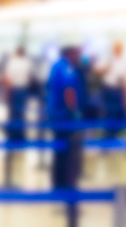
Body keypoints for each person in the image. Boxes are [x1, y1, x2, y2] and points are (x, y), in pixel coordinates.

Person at [44, 46, 85, 190]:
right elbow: (68, 91)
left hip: (56, 114)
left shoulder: (57, 66)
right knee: (65, 152)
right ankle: (64, 185)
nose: (79, 57)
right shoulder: (67, 68)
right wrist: (75, 112)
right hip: (63, 117)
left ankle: (58, 182)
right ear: (70, 53)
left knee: (59, 151)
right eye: (77, 54)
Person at [1, 45, 34, 185]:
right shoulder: (27, 63)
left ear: (16, 52)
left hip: (14, 90)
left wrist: (6, 93)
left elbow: (6, 79)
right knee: (21, 115)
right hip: (23, 90)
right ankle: (20, 138)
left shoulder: (12, 62)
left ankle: (12, 138)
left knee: (13, 115)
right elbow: (30, 77)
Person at [99, 40, 126, 135]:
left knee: (118, 112)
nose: (117, 50)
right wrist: (104, 69)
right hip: (108, 89)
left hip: (119, 89)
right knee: (109, 112)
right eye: (116, 48)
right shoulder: (108, 59)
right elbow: (97, 70)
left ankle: (116, 132)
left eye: (119, 48)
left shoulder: (125, 61)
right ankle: (109, 133)